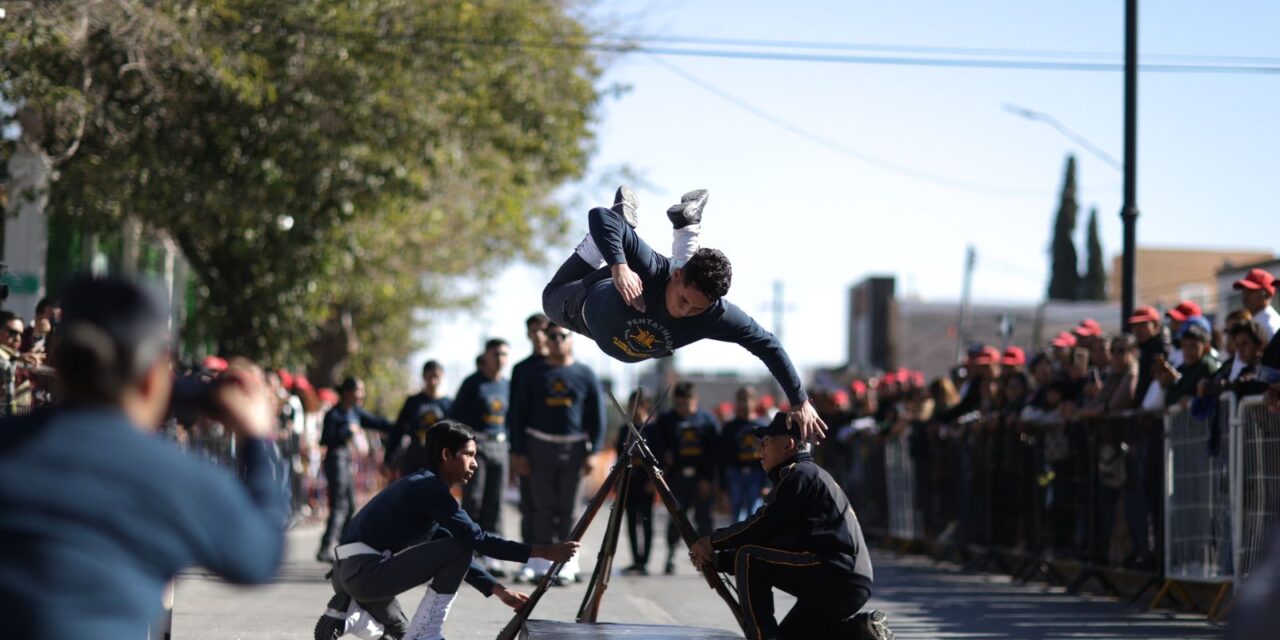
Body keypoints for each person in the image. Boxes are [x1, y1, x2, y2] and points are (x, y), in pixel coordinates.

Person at [0, 275, 287, 639]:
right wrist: (258, 440)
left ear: (56, 362)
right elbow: (259, 556)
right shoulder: (171, 476)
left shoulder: (10, 445)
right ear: (153, 377)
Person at [540, 186, 826, 441]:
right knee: (549, 300)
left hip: (630, 323)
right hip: (582, 304)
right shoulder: (651, 269)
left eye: (696, 308)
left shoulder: (714, 314)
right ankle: (621, 231)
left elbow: (768, 344)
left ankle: (687, 224)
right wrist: (619, 266)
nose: (684, 311)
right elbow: (599, 215)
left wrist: (799, 401)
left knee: (687, 279)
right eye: (684, 300)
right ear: (676, 277)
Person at [314, 420, 578, 640]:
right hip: (365, 575)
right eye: (469, 455)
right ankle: (427, 631)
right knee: (461, 548)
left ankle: (349, 617)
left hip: (348, 574)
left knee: (402, 633)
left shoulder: (420, 486)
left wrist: (498, 590)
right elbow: (474, 541)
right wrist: (544, 551)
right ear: (446, 455)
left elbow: (453, 548)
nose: (475, 463)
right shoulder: (431, 490)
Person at [689, 412, 894, 640]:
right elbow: (776, 541)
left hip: (835, 574)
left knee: (749, 557)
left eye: (766, 443)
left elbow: (763, 526)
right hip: (846, 580)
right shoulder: (804, 475)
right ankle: (862, 631)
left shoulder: (799, 475)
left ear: (788, 444)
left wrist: (713, 542)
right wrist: (720, 560)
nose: (760, 451)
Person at [507, 322, 605, 584]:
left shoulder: (585, 374)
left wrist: (593, 452)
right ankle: (540, 561)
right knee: (541, 507)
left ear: (571, 339)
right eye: (552, 336)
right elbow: (517, 415)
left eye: (562, 336)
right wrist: (518, 452)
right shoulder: (533, 374)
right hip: (539, 446)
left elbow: (597, 417)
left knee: (570, 508)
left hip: (573, 448)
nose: (556, 340)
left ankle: (568, 563)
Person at [450, 339, 511, 575]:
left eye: (505, 354)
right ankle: (469, 551)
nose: (500, 358)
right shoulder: (472, 383)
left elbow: (512, 419)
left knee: (495, 501)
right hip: (476, 447)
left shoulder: (507, 385)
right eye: (496, 353)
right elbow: (456, 417)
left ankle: (493, 554)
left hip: (501, 446)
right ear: (485, 355)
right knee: (474, 498)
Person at [317, 376, 394, 563]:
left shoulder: (355, 413)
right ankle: (326, 546)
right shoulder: (334, 414)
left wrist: (401, 425)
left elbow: (378, 422)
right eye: (359, 390)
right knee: (339, 505)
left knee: (350, 505)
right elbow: (325, 439)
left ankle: (345, 548)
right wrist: (347, 431)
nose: (362, 394)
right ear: (347, 392)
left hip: (346, 460)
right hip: (335, 459)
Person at [653, 380, 719, 574]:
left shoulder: (707, 420)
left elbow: (713, 452)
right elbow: (656, 446)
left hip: (700, 478)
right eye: (679, 404)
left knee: (704, 520)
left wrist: (708, 479)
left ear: (694, 400)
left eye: (686, 403)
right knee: (677, 520)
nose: (682, 408)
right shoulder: (666, 420)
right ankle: (671, 555)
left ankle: (707, 558)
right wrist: (664, 457)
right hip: (676, 478)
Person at [508, 313, 550, 549]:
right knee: (529, 504)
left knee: (556, 505)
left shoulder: (565, 367)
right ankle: (529, 554)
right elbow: (514, 413)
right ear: (528, 334)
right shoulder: (521, 369)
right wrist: (516, 452)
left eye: (543, 330)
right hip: (527, 447)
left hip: (558, 448)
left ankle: (560, 559)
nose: (539, 335)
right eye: (534, 330)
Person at [614, 388, 656, 576]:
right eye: (632, 405)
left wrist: (653, 481)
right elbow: (619, 456)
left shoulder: (653, 429)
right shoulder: (625, 429)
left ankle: (644, 561)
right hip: (629, 481)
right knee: (631, 522)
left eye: (638, 405)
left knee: (646, 521)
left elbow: (659, 456)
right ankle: (635, 560)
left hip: (646, 481)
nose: (634, 409)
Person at [388, 360, 453, 477]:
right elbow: (398, 429)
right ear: (424, 377)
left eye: (437, 377)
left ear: (442, 376)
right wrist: (388, 456)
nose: (433, 381)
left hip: (439, 461)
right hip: (414, 459)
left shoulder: (448, 404)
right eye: (430, 377)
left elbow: (455, 434)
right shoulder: (413, 402)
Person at [721, 385, 768, 524]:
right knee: (736, 513)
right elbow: (723, 456)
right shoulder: (730, 427)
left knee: (754, 512)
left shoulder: (762, 426)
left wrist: (767, 483)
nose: (745, 403)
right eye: (742, 400)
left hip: (756, 474)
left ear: (755, 401)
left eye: (748, 399)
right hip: (735, 474)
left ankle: (750, 543)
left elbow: (768, 455)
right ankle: (736, 544)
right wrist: (722, 485)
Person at [1234, 268, 1279, 341]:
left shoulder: (1270, 325)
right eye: (1244, 290)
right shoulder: (1257, 320)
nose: (1245, 294)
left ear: (1266, 294)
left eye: (1251, 290)